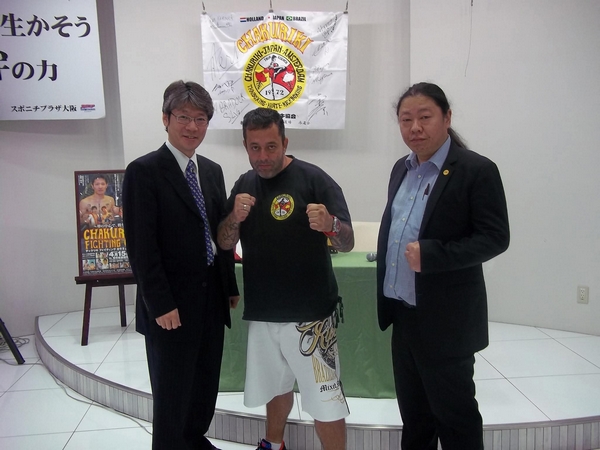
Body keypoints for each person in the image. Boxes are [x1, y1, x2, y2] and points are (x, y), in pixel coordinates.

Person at [376, 82, 510, 450]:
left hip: (447, 320)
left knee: (455, 420)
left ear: (447, 118)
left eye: (425, 117)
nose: (415, 127)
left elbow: (495, 237)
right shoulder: (401, 169)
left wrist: (433, 255)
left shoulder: (476, 170)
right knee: (415, 418)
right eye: (406, 119)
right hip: (404, 315)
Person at [217, 107, 354, 450]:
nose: (263, 156)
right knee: (274, 389)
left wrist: (331, 225)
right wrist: (233, 217)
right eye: (255, 147)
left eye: (271, 147)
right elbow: (224, 242)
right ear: (245, 146)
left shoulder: (314, 179)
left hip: (311, 317)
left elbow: (347, 242)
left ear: (285, 143)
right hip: (264, 313)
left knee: (326, 401)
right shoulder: (244, 184)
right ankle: (273, 444)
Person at [122, 80, 239, 450]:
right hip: (170, 305)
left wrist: (229, 286)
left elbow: (218, 232)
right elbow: (141, 247)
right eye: (184, 117)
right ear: (166, 119)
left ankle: (195, 440)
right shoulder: (144, 171)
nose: (192, 127)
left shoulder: (212, 170)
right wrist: (160, 303)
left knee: (204, 383)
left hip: (211, 298)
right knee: (172, 391)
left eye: (200, 119)